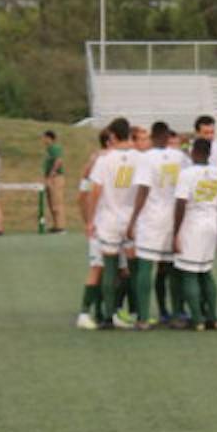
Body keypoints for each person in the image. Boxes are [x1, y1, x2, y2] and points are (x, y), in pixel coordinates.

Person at [125, 121, 187, 324]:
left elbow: (143, 190)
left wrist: (132, 220)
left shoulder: (146, 158)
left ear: (152, 137)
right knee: (172, 267)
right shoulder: (181, 158)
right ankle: (176, 314)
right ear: (168, 137)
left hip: (152, 218)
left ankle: (143, 317)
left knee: (145, 265)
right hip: (174, 217)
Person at [85, 116, 144, 327]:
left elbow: (95, 190)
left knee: (109, 267)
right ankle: (139, 313)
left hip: (109, 218)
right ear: (129, 133)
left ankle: (108, 316)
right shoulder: (140, 157)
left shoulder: (105, 159)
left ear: (112, 135)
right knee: (133, 268)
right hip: (132, 219)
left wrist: (90, 219)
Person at [170, 136, 217, 330]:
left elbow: (181, 203)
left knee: (189, 273)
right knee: (206, 272)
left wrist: (175, 233)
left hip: (192, 224)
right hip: (212, 223)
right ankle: (213, 317)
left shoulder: (187, 174)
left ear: (193, 152)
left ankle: (198, 318)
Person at [73, 128, 115, 330]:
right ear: (109, 141)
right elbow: (83, 195)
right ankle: (86, 312)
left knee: (110, 269)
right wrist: (89, 221)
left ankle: (103, 312)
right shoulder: (99, 163)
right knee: (99, 268)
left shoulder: (102, 162)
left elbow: (81, 194)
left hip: (109, 222)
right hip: (103, 224)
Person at [41, 130, 66, 233]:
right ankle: (55, 225)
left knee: (57, 202)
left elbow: (59, 161)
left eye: (44, 138)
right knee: (51, 202)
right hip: (49, 178)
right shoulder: (49, 149)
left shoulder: (55, 148)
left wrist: (52, 173)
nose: (43, 140)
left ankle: (61, 226)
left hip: (56, 178)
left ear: (49, 138)